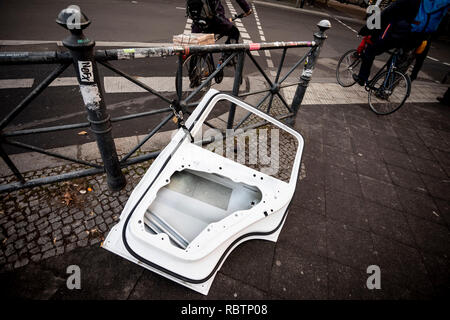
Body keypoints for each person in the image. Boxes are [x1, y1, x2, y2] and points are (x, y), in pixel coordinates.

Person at [353, 0, 449, 85]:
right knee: (398, 60)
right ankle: (387, 88)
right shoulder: (443, 3)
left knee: (371, 50)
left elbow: (386, 13)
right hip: (418, 39)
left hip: (398, 34)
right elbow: (442, 26)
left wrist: (367, 28)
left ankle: (362, 78)